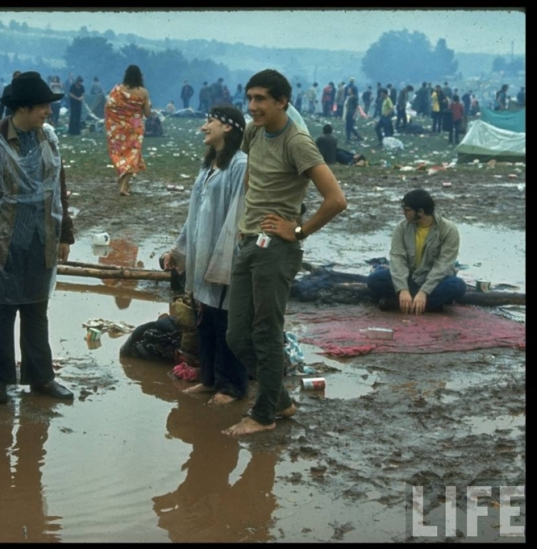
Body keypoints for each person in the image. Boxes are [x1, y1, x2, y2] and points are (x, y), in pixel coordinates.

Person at [223, 69, 347, 437]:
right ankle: (280, 401)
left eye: (260, 99)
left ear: (282, 101)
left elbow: (336, 200)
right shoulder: (254, 131)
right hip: (249, 241)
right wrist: (245, 221)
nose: (252, 106)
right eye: (249, 98)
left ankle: (264, 415)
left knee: (266, 333)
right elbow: (253, 176)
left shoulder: (298, 142)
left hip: (276, 249)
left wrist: (297, 230)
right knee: (237, 335)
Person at [0, 71, 75, 405]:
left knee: (36, 309)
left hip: (42, 235)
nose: (49, 112)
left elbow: (58, 187)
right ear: (23, 108)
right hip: (4, 237)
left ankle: (41, 377)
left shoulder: (48, 138)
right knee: (1, 309)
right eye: (43, 106)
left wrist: (65, 234)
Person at [161, 106, 248, 406]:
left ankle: (232, 386)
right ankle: (209, 380)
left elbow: (237, 215)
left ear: (228, 127)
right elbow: (194, 214)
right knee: (206, 319)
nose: (204, 126)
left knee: (225, 322)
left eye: (210, 121)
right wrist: (179, 249)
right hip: (203, 252)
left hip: (223, 255)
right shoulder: (209, 165)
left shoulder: (239, 165)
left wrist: (224, 258)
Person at [366, 189, 466, 314]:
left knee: (457, 286)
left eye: (407, 210)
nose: (403, 213)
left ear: (420, 212)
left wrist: (424, 291)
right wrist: (402, 289)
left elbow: (443, 266)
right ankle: (428, 305)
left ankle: (396, 303)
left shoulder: (448, 230)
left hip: (434, 280)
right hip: (409, 277)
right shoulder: (402, 228)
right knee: (374, 279)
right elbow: (397, 259)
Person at [104, 64, 151, 196]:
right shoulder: (143, 93)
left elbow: (108, 107)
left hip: (118, 129)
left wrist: (116, 120)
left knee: (120, 153)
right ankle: (124, 186)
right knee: (133, 155)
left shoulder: (117, 90)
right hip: (135, 129)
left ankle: (123, 180)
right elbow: (147, 114)